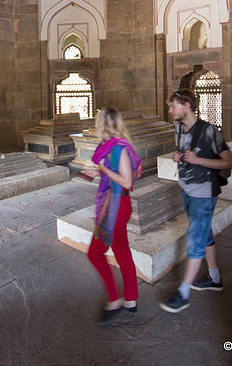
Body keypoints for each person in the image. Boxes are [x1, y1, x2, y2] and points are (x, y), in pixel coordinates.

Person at [160, 89, 232, 313]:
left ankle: (183, 293)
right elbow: (185, 153)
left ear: (187, 105)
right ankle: (214, 278)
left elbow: (229, 162)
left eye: (174, 106)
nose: (171, 110)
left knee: (194, 238)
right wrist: (179, 157)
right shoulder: (179, 128)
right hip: (187, 190)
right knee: (204, 233)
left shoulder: (209, 131)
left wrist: (198, 159)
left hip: (204, 192)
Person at [87, 107, 143, 322]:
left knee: (95, 253)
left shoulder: (119, 147)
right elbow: (114, 172)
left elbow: (127, 181)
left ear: (103, 124)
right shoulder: (110, 146)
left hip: (116, 207)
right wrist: (99, 171)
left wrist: (105, 170)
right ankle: (130, 298)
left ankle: (114, 299)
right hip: (118, 204)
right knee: (121, 250)